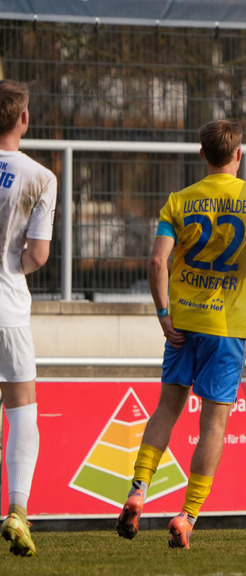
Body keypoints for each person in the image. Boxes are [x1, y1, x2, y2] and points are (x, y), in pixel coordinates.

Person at [115, 119, 246, 549]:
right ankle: (187, 516)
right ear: (239, 154)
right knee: (213, 424)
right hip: (227, 329)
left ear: (203, 155)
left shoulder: (179, 201)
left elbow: (157, 262)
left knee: (166, 409)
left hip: (182, 323)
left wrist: (163, 314)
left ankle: (138, 489)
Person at [0, 80, 56, 558]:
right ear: (24, 119)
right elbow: (37, 255)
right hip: (8, 308)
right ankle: (17, 510)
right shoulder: (40, 177)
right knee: (22, 410)